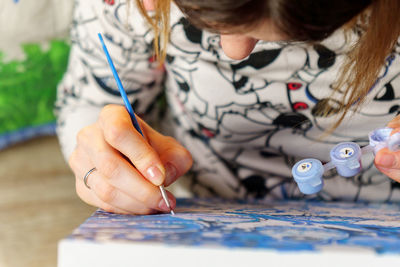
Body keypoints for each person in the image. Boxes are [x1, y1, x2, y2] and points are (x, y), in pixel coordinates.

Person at [56, 0, 400, 214]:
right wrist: (101, 156)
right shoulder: (128, 4)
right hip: (207, 208)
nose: (234, 52)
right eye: (202, 16)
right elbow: (89, 101)